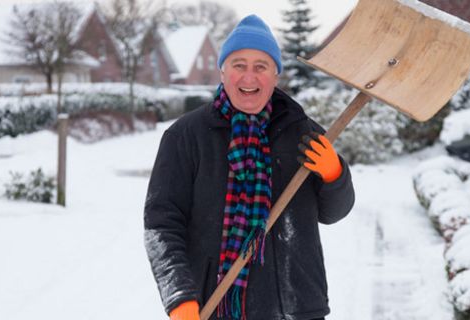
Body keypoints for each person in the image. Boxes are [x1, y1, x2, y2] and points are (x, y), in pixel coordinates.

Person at [144, 14, 355, 320]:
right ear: (222, 71)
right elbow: (161, 224)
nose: (249, 77)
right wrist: (180, 298)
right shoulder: (186, 136)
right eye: (239, 65)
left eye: (261, 66)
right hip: (214, 306)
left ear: (276, 76)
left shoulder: (303, 133)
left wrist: (334, 174)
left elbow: (334, 212)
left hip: (293, 307)